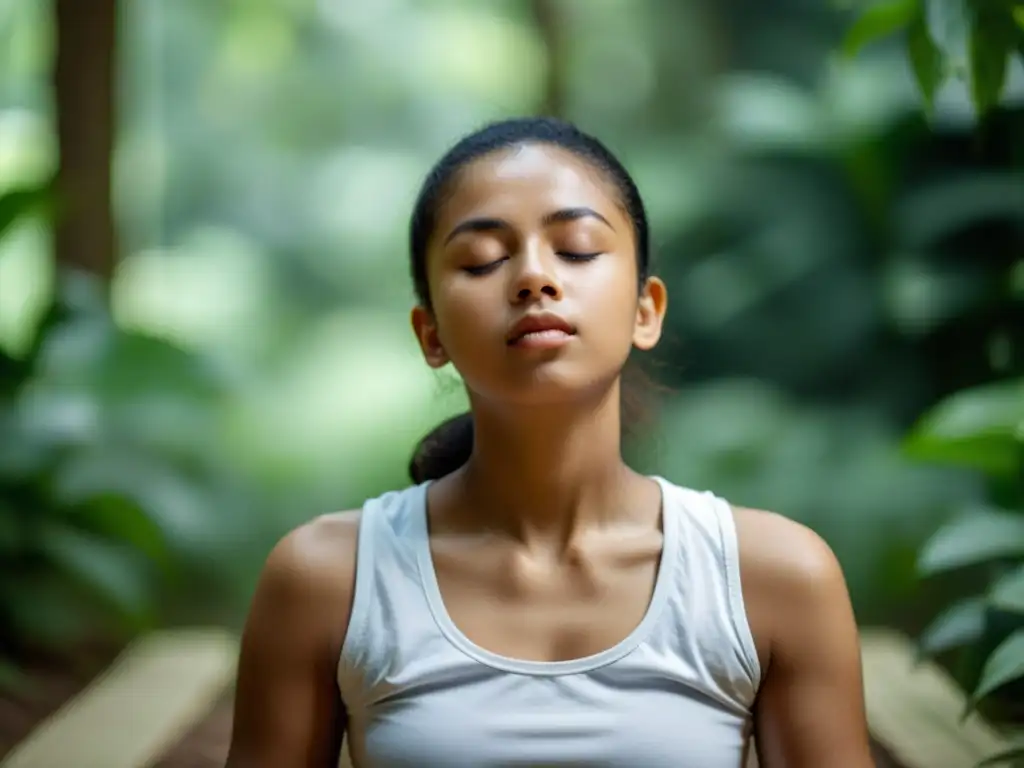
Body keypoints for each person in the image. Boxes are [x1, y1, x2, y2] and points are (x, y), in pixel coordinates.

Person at [225, 117, 874, 768]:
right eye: (482, 260)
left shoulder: (773, 579)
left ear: (645, 310)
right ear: (431, 335)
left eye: (578, 249)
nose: (534, 277)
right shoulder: (327, 581)